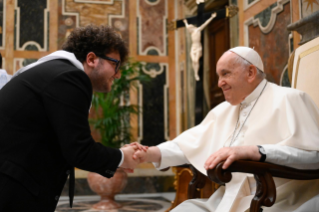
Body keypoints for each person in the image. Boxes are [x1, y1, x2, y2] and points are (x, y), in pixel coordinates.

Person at [133, 47, 319, 212]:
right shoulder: (224, 110)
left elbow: (315, 157)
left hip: (280, 201)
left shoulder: (291, 99)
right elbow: (189, 144)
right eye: (219, 76)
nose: (220, 82)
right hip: (226, 201)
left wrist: (257, 151)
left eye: (225, 74)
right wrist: (149, 153)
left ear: (251, 72)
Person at [0, 25, 145, 211]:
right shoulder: (69, 76)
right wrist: (122, 157)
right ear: (91, 59)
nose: (118, 75)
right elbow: (79, 150)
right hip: (10, 188)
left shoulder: (54, 71)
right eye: (115, 65)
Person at [183, 12, 216, 81]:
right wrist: (185, 22)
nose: (189, 31)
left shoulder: (198, 30)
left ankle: (196, 74)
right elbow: (187, 26)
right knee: (193, 60)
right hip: (193, 47)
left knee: (196, 60)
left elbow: (205, 24)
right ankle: (195, 73)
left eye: (189, 29)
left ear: (192, 28)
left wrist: (212, 17)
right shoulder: (191, 32)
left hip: (198, 47)